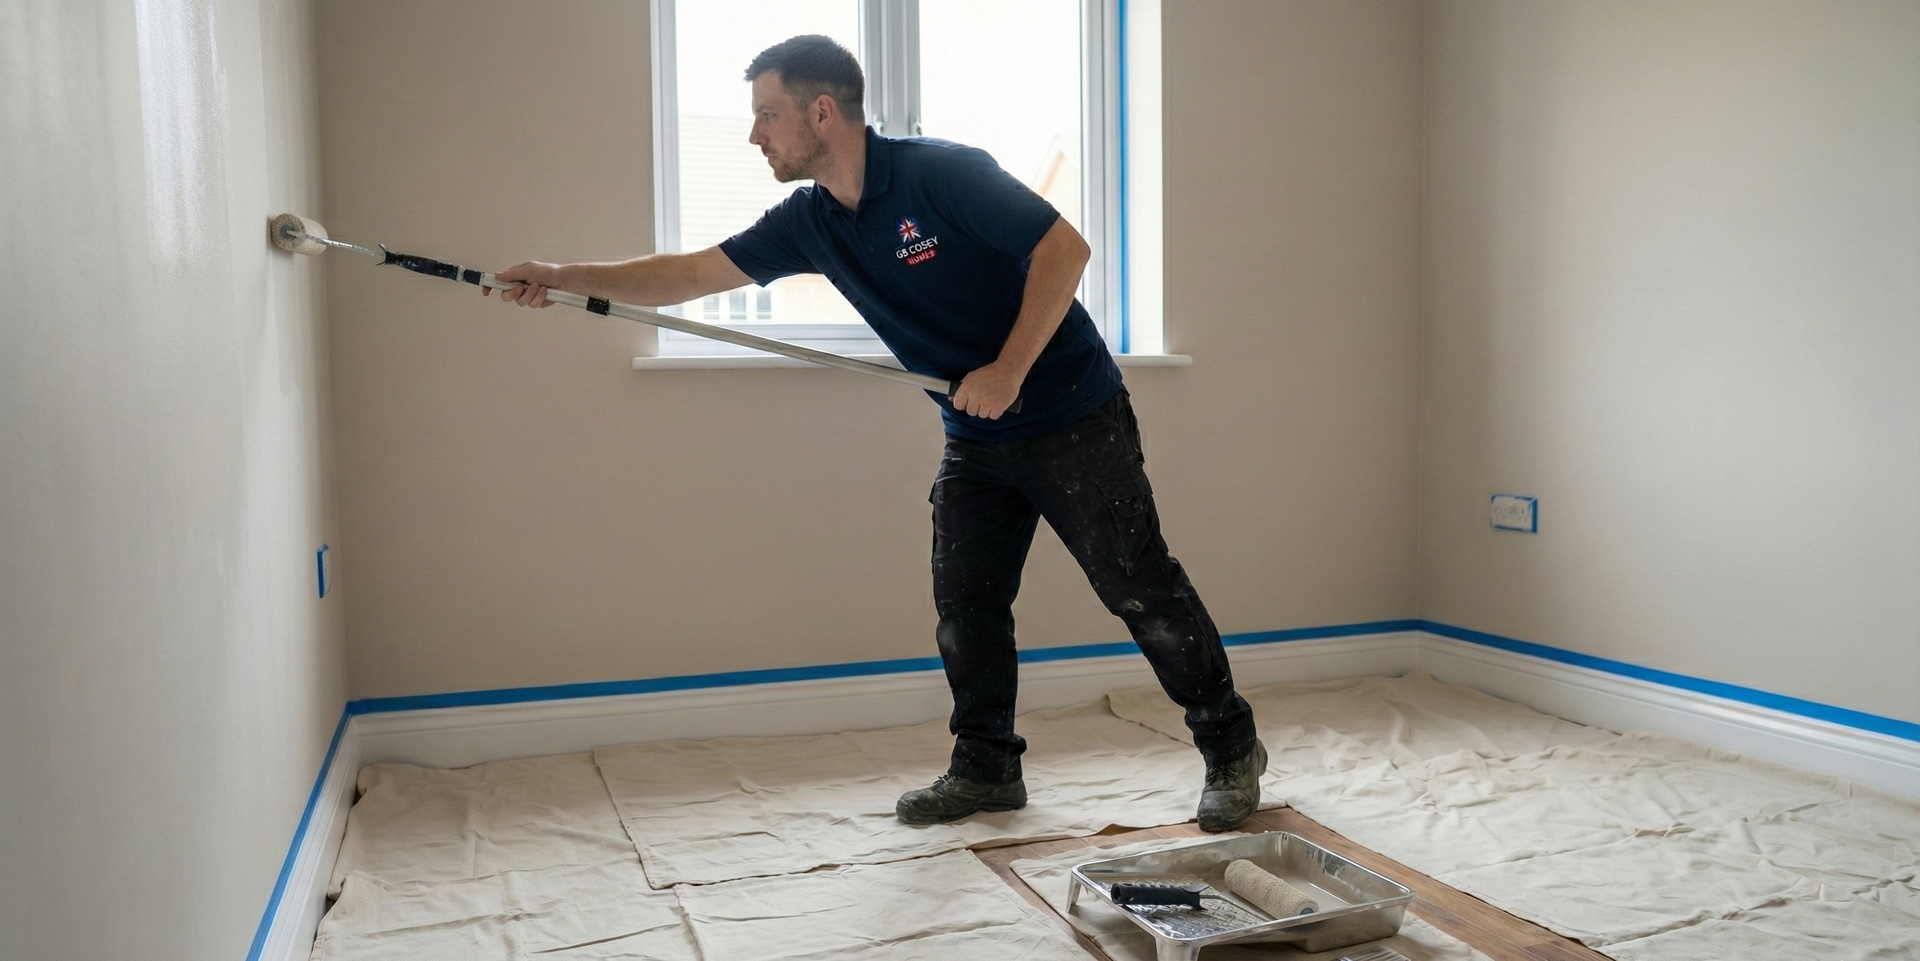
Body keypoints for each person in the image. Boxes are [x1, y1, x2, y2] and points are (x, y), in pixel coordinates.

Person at [488, 35, 1265, 832]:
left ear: (821, 113)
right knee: (966, 604)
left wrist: (1007, 370)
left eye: (767, 115)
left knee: (1139, 587)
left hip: (1072, 414)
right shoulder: (811, 222)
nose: (755, 134)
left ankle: (1231, 748)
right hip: (975, 433)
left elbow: (1064, 251)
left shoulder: (940, 173)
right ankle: (987, 768)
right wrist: (560, 276)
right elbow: (690, 274)